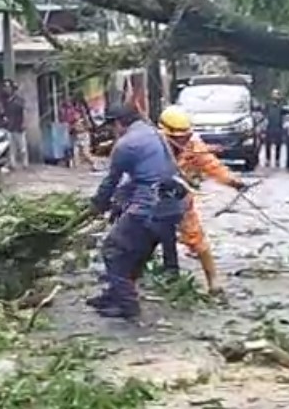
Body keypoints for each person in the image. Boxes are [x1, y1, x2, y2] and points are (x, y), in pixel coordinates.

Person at [87, 105, 187, 318]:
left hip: (149, 209)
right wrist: (118, 202)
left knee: (112, 249)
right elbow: (149, 175)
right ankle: (114, 295)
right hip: (174, 207)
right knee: (134, 254)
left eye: (113, 127)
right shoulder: (155, 134)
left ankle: (127, 305)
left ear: (118, 124)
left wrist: (96, 204)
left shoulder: (126, 144)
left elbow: (110, 181)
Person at [157, 106, 251, 295]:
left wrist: (233, 181)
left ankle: (213, 282)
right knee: (142, 237)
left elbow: (212, 165)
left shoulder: (195, 147)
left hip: (181, 199)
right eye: (176, 138)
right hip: (151, 199)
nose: (181, 141)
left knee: (196, 238)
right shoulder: (152, 144)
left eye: (184, 136)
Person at [0, 80, 28, 169]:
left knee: (22, 147)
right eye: (5, 87)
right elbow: (2, 113)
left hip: (19, 126)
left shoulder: (19, 100)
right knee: (11, 148)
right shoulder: (4, 101)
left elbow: (24, 111)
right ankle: (13, 164)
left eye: (8, 87)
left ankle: (24, 163)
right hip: (8, 127)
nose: (6, 89)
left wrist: (24, 122)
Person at [263, 89, 288, 168]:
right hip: (269, 127)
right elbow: (264, 114)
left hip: (278, 127)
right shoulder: (268, 104)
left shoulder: (282, 105)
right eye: (274, 94)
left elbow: (286, 113)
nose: (275, 96)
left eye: (277, 94)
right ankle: (268, 159)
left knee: (278, 144)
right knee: (268, 144)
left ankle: (277, 160)